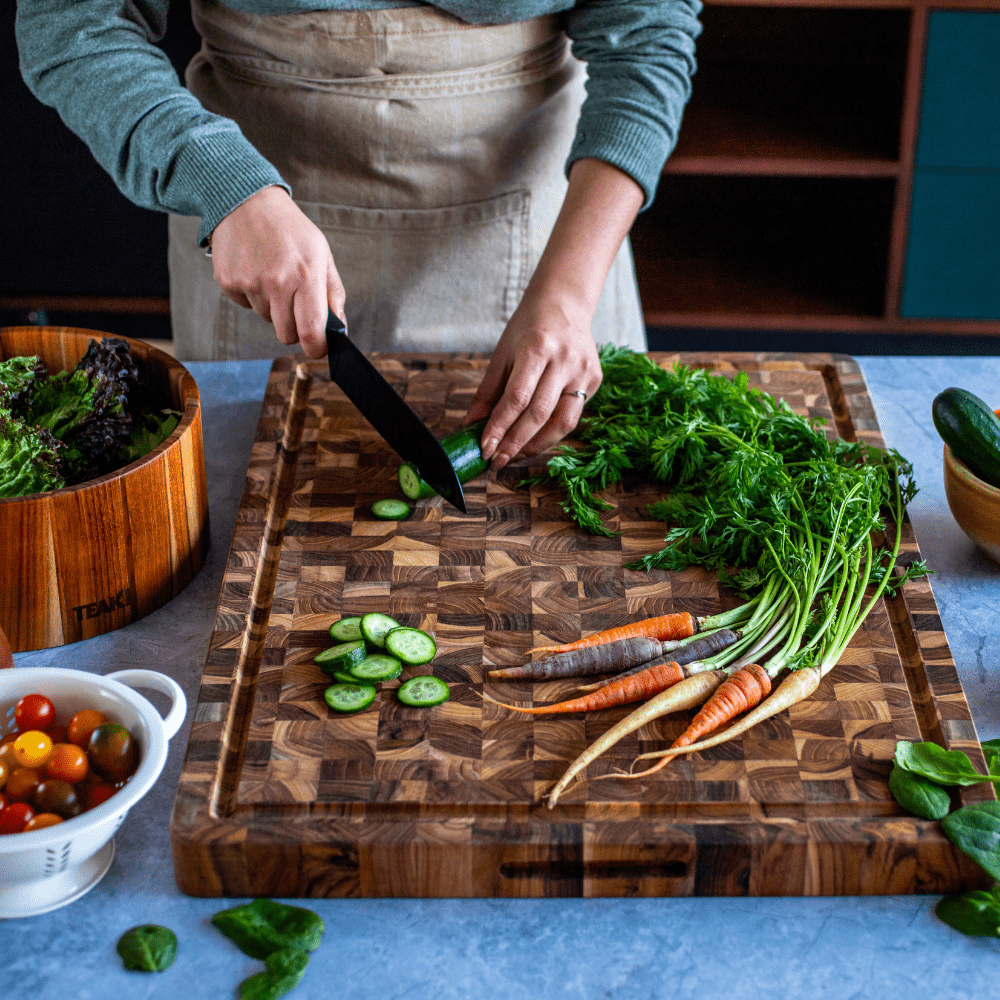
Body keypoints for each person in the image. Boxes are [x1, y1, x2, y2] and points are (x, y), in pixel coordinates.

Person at [16, 0, 701, 470]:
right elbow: (73, 22)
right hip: (248, 209)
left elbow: (650, 32)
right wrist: (223, 184)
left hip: (551, 233)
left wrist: (568, 298)